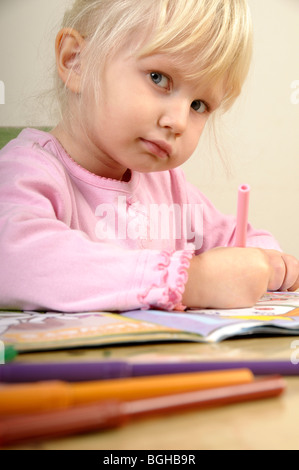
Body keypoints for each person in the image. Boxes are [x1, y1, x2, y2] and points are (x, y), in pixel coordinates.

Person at [0, 0, 298, 313]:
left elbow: (237, 236)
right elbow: (13, 258)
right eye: (158, 78)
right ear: (76, 61)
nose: (179, 122)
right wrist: (186, 281)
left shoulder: (167, 185)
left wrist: (266, 261)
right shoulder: (27, 170)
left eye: (199, 105)